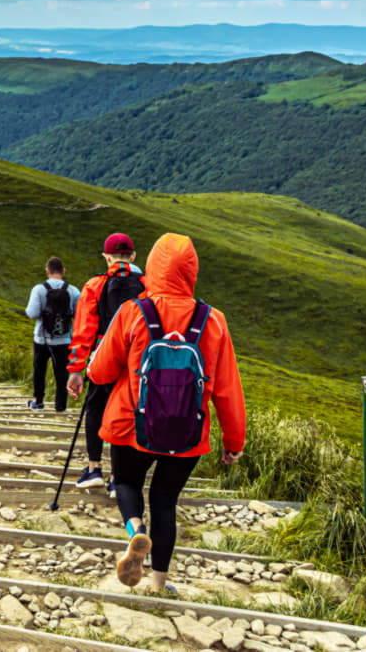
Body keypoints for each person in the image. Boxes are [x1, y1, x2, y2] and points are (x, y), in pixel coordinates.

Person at [88, 232, 245, 593]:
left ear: (153, 266)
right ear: (192, 271)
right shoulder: (214, 320)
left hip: (131, 424)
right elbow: (227, 389)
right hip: (187, 433)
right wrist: (233, 441)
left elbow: (101, 372)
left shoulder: (133, 312)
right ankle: (159, 584)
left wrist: (91, 366)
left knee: (126, 482)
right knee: (165, 502)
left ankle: (135, 530)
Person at [66, 233, 147, 489]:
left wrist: (76, 369)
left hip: (102, 357)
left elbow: (83, 330)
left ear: (107, 257)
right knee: (127, 412)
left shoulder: (95, 285)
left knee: (96, 408)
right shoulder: (147, 285)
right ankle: (117, 477)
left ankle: (94, 468)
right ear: (133, 256)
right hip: (134, 360)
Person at [25, 257, 79, 411]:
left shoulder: (39, 289)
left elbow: (32, 313)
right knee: (62, 373)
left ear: (47, 271)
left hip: (41, 339)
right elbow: (79, 315)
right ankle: (60, 405)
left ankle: (38, 402)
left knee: (39, 370)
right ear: (63, 271)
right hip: (64, 339)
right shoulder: (73, 290)